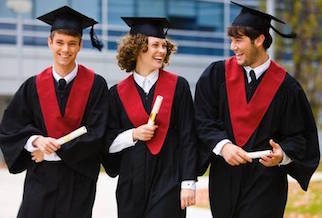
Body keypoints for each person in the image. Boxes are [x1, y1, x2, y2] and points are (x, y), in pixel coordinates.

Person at [194, 2, 320, 218]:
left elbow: (300, 138)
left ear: (259, 39)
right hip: (224, 181)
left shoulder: (287, 88)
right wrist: (223, 146)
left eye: (239, 40)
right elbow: (203, 119)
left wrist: (282, 155)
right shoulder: (216, 76)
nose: (233, 47)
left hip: (265, 185)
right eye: (232, 40)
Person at [0, 6, 108, 218]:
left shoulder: (96, 85)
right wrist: (35, 140)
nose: (65, 49)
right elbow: (10, 128)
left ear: (80, 46)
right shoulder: (32, 86)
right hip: (40, 181)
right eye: (59, 42)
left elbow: (98, 133)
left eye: (72, 44)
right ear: (50, 42)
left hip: (78, 182)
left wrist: (52, 152)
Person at [102, 17, 197, 218]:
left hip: (168, 180)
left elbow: (188, 136)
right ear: (137, 48)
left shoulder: (178, 86)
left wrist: (188, 182)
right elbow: (107, 143)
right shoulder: (116, 94)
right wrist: (133, 134)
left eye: (164, 46)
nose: (162, 51)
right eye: (155, 45)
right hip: (131, 183)